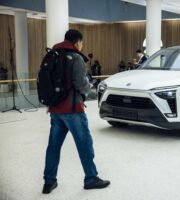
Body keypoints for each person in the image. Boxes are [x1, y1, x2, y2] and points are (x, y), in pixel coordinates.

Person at [42, 29, 110, 194]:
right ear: (78, 42)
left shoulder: (53, 54)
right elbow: (81, 85)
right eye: (81, 42)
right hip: (73, 110)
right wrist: (89, 86)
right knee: (84, 144)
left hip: (55, 110)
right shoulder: (77, 58)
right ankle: (91, 178)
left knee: (53, 147)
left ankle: (49, 182)